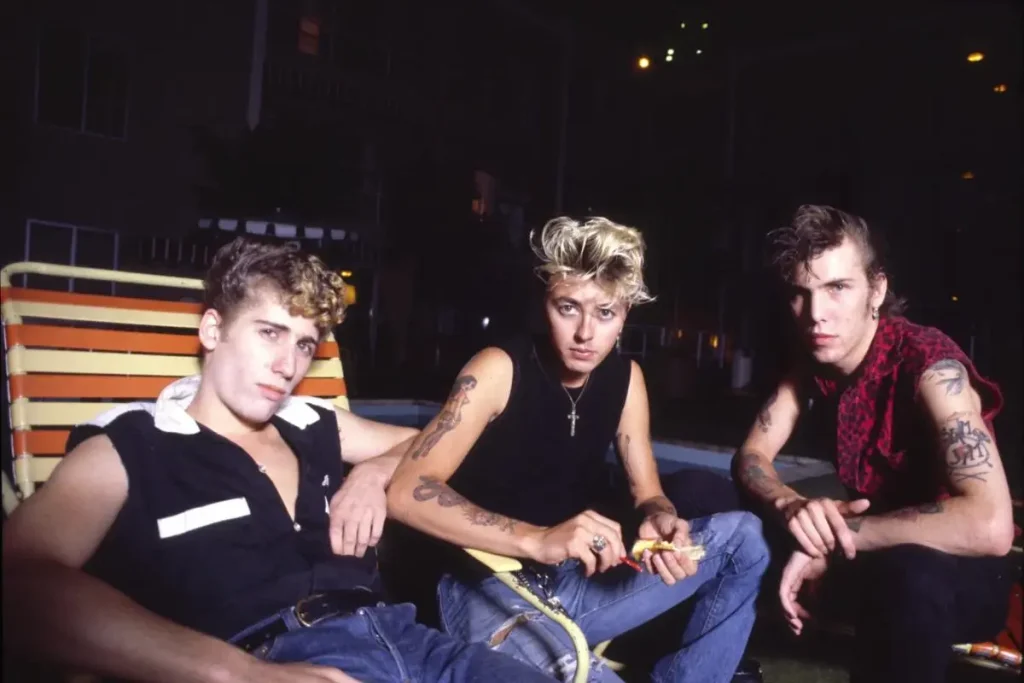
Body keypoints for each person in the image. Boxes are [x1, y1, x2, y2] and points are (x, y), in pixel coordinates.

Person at [2, 238, 560, 683]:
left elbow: (434, 442)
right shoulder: (130, 448)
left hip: (412, 641)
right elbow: (20, 580)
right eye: (270, 332)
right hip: (270, 656)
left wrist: (373, 473)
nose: (287, 364)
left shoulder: (312, 422)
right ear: (213, 330)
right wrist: (239, 674)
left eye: (304, 344)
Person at [387, 217, 770, 683]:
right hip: (484, 588)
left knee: (743, 539)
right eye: (568, 308)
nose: (586, 334)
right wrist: (535, 539)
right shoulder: (498, 369)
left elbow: (648, 492)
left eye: (605, 314)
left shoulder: (626, 381)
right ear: (545, 302)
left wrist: (661, 518)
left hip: (573, 583)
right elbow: (406, 491)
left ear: (625, 313)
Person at [732, 204, 1016, 682]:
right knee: (702, 496)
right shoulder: (814, 358)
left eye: (837, 288)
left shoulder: (931, 366)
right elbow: (751, 456)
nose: (816, 314)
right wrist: (790, 506)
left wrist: (835, 538)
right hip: (868, 554)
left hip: (956, 571)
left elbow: (990, 525)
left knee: (908, 575)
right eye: (802, 294)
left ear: (876, 290)